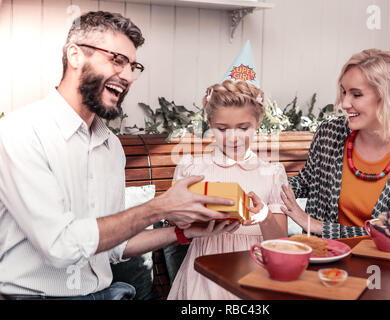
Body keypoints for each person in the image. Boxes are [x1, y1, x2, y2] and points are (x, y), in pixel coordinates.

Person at [0, 11, 242, 300]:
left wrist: (183, 234)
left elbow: (113, 246)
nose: (127, 76)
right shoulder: (19, 132)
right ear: (75, 56)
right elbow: (61, 246)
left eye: (133, 66)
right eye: (116, 60)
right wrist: (160, 207)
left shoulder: (111, 146)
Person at [281, 48, 390, 239]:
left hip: (382, 264)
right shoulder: (330, 132)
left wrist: (314, 225)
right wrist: (267, 185)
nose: (344, 104)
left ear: (389, 97)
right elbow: (306, 181)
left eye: (356, 95)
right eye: (343, 92)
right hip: (323, 259)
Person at [167, 77, 289, 300]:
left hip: (255, 270)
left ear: (258, 123)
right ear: (210, 124)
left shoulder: (272, 174)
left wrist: (265, 216)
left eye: (243, 128)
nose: (233, 138)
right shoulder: (193, 168)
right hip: (205, 269)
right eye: (222, 129)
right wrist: (185, 216)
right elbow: (176, 225)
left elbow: (280, 240)